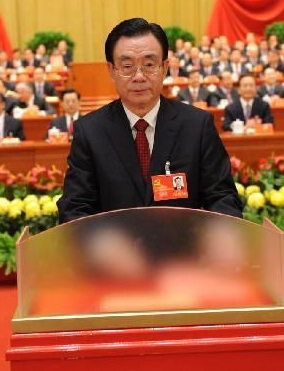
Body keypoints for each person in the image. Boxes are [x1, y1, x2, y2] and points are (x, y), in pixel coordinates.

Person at [58, 18, 243, 222]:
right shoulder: (90, 131)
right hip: (114, 252)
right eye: (127, 66)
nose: (139, 76)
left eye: (148, 65)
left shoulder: (197, 125)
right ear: (111, 70)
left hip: (184, 249)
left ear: (164, 68)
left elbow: (221, 197)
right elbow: (75, 206)